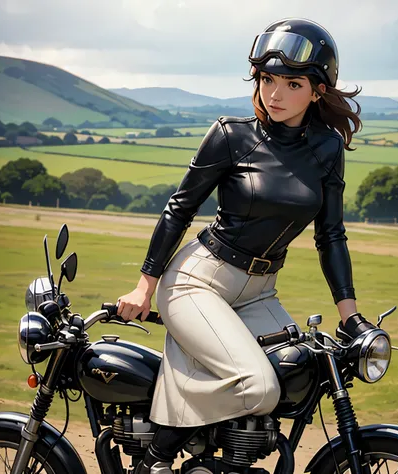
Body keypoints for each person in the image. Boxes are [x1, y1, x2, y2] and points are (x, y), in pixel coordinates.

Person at [117, 18, 377, 474]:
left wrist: (350, 317)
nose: (274, 93)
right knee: (258, 387)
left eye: (291, 83)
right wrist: (144, 287)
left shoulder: (327, 147)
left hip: (260, 290)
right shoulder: (231, 135)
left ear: (317, 91)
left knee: (299, 373)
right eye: (266, 79)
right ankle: (156, 455)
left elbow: (330, 234)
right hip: (197, 281)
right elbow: (178, 210)